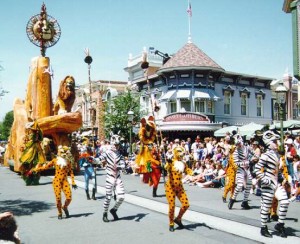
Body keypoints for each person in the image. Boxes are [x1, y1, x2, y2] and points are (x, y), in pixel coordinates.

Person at [254, 130, 290, 238]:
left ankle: (280, 224)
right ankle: (263, 227)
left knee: (284, 201)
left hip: (276, 183)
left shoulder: (277, 155)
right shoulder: (265, 155)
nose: (277, 143)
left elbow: (277, 171)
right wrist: (264, 179)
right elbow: (257, 169)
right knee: (266, 206)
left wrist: (282, 178)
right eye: (275, 141)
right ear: (269, 143)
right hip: (268, 184)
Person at [32, 145, 78, 219]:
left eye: (66, 153)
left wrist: (73, 182)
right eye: (63, 152)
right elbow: (45, 167)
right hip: (57, 181)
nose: (64, 154)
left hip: (65, 181)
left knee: (69, 198)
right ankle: (59, 212)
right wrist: (36, 169)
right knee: (58, 198)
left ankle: (64, 207)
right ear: (59, 152)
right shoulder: (55, 160)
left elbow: (71, 172)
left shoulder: (68, 162)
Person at [96, 134, 125, 222]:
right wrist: (92, 160)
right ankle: (105, 213)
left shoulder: (120, 155)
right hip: (110, 177)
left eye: (117, 145)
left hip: (118, 177)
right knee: (108, 197)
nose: (116, 146)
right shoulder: (107, 153)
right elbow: (99, 159)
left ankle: (114, 210)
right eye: (115, 145)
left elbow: (123, 163)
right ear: (112, 144)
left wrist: (122, 166)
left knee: (121, 197)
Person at [164, 146, 193, 232]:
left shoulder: (183, 163)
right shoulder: (171, 162)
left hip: (179, 186)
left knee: (186, 204)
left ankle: (178, 219)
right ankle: (171, 223)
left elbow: (188, 170)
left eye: (182, 152)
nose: (182, 154)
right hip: (170, 187)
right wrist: (168, 163)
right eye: (179, 152)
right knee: (172, 206)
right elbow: (166, 168)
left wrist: (193, 173)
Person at [228, 134, 252, 210]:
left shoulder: (247, 148)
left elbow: (254, 154)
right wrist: (247, 163)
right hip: (240, 169)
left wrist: (257, 158)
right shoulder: (235, 152)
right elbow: (236, 163)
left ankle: (245, 202)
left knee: (249, 184)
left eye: (238, 143)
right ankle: (232, 199)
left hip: (247, 169)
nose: (237, 145)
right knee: (239, 185)